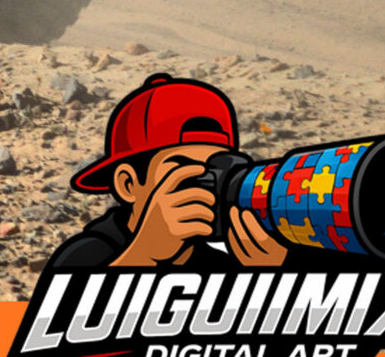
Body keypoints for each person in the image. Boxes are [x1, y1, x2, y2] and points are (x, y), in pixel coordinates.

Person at [47, 74, 298, 270]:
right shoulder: (91, 253)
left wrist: (274, 272)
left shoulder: (217, 258)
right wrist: (144, 254)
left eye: (220, 171)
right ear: (128, 184)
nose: (208, 187)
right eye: (184, 172)